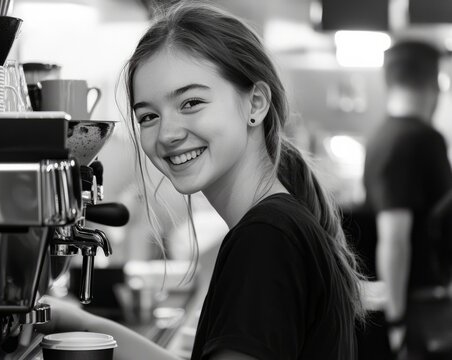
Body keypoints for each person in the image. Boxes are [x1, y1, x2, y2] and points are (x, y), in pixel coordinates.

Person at [39, 3, 366, 359]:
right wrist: (73, 321)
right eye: (148, 116)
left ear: (255, 103)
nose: (167, 134)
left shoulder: (266, 238)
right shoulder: (276, 224)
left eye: (191, 102)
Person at [363, 40, 452, 357]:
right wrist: (397, 323)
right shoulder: (418, 140)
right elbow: (394, 240)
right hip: (423, 310)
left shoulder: (382, 137)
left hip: (416, 307)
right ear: (434, 85)